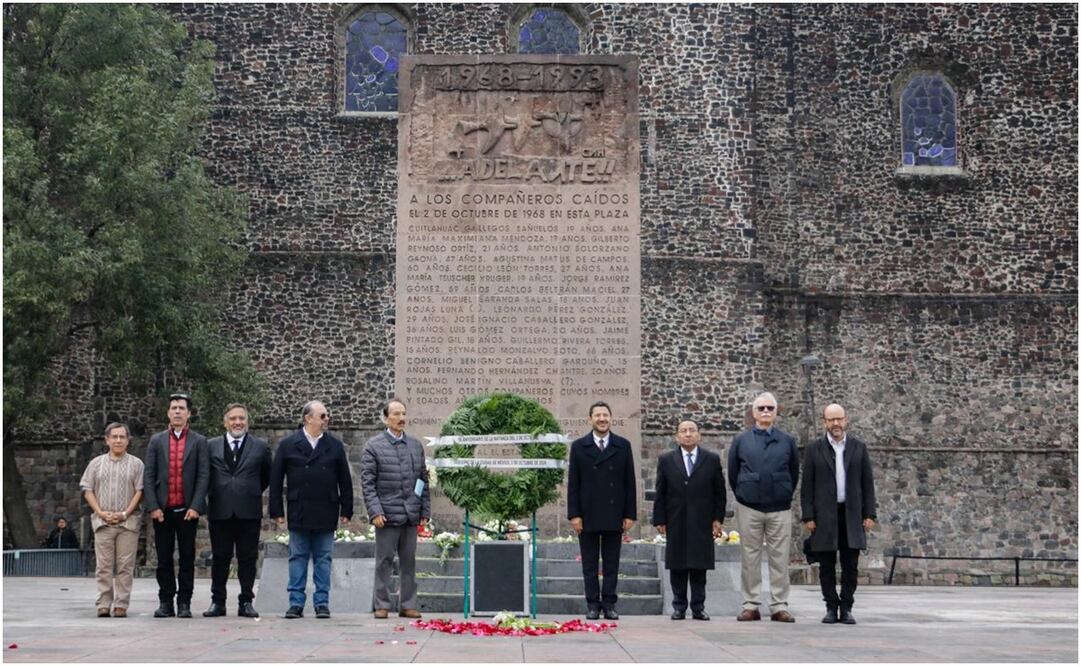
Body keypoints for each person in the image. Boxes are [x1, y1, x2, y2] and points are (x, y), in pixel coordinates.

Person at [269, 400, 353, 619]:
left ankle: (322, 602)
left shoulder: (334, 445)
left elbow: (344, 479)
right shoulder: (288, 444)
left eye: (326, 416)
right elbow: (276, 480)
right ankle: (295, 602)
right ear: (308, 418)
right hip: (300, 508)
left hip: (326, 507)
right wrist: (276, 510)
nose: (327, 419)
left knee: (323, 557)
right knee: (297, 556)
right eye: (323, 415)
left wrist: (347, 508)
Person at [801, 403, 877, 625]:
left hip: (851, 514)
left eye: (839, 419)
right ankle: (831, 607)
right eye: (831, 419)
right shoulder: (815, 449)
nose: (835, 423)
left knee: (850, 565)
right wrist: (808, 516)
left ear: (846, 420)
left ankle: (847, 607)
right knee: (826, 564)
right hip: (824, 514)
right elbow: (807, 486)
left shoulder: (858, 448)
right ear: (824, 421)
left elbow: (867, 483)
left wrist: (869, 513)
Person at [727, 391, 800, 622]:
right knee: (750, 557)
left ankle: (779, 604)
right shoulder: (741, 440)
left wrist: (784, 492)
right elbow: (733, 472)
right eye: (761, 408)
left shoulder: (787, 441)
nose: (766, 411)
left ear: (776, 412)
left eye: (770, 408)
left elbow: (794, 471)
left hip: (779, 507)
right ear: (754, 412)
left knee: (780, 557)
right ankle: (751, 604)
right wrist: (744, 492)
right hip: (749, 506)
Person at [566, 401, 637, 620]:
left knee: (611, 563)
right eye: (598, 415)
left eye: (605, 415)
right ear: (590, 419)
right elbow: (574, 484)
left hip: (614, 514)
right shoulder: (579, 446)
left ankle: (609, 604)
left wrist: (629, 514)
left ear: (611, 418)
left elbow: (629, 482)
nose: (602, 419)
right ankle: (592, 605)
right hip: (587, 515)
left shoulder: (623, 445)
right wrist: (574, 514)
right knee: (589, 564)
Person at [360, 398, 430, 620]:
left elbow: (422, 481)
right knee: (384, 561)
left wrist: (424, 511)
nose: (402, 418)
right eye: (396, 414)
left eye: (403, 414)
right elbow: (368, 484)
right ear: (385, 418)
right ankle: (381, 605)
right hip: (386, 516)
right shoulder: (373, 446)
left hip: (410, 515)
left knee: (409, 562)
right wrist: (375, 511)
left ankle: (407, 605)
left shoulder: (415, 445)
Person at [144, 392, 209, 619]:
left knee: (187, 559)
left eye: (181, 408)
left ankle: (184, 603)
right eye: (174, 408)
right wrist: (153, 506)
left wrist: (196, 506)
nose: (177, 412)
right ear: (168, 413)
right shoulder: (157, 440)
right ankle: (165, 602)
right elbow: (149, 475)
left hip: (187, 511)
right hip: (162, 511)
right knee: (163, 559)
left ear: (189, 413)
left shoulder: (199, 442)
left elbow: (203, 476)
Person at [203, 403, 272, 619]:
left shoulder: (260, 447)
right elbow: (205, 476)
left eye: (241, 418)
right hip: (220, 510)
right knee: (220, 557)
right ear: (225, 422)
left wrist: (245, 491)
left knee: (248, 558)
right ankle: (218, 602)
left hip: (248, 511)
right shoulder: (210, 446)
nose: (237, 422)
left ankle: (246, 601)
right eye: (233, 419)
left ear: (247, 422)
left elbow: (266, 477)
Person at [652, 420, 726, 621]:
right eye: (683, 431)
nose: (687, 434)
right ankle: (679, 607)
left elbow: (719, 492)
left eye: (691, 430)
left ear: (699, 435)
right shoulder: (667, 460)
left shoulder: (711, 459)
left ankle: (698, 607)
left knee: (698, 566)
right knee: (677, 565)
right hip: (675, 519)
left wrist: (718, 518)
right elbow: (661, 491)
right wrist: (659, 518)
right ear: (677, 436)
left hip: (702, 520)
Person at [79, 423, 144, 617]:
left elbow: (140, 491)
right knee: (104, 566)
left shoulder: (137, 464)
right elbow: (87, 489)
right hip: (103, 522)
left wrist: (125, 513)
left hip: (128, 522)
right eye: (114, 437)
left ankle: (121, 604)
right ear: (107, 440)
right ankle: (104, 603)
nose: (118, 440)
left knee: (125, 565)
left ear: (127, 440)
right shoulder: (96, 463)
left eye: (122, 437)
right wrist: (99, 511)